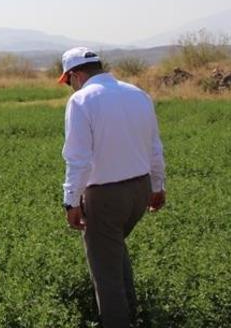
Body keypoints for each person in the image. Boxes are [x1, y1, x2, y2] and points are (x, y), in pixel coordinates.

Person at [58, 47, 166, 328]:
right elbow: (155, 147)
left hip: (105, 197)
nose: (70, 87)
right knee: (113, 250)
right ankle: (134, 314)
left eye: (68, 81)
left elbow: (78, 159)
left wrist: (71, 202)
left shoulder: (81, 100)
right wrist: (157, 186)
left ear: (76, 75)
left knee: (106, 276)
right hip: (140, 190)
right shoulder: (137, 94)